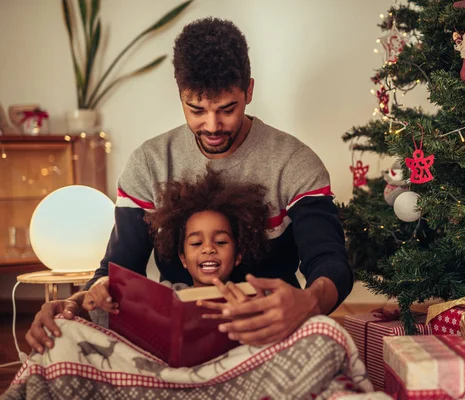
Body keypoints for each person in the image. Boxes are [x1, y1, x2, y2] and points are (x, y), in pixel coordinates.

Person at [25, 17, 353, 354]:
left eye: (228, 109)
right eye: (196, 109)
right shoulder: (149, 163)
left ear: (249, 91)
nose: (212, 126)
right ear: (180, 94)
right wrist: (76, 305)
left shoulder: (295, 163)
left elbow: (330, 261)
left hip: (271, 334)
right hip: (175, 341)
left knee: (330, 348)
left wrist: (309, 301)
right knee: (61, 345)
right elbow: (117, 270)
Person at [82, 169, 271, 326]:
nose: (208, 249)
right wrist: (106, 287)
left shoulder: (254, 297)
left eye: (220, 242)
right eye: (196, 243)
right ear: (183, 258)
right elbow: (107, 309)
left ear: (238, 255)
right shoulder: (164, 294)